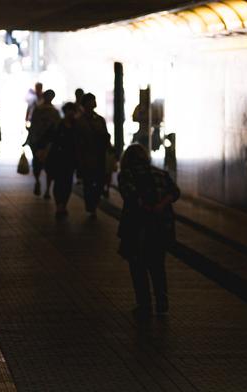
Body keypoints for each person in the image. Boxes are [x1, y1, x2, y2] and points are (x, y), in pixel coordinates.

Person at [117, 144, 180, 318]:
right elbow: (175, 192)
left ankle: (144, 304)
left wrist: (146, 207)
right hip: (161, 227)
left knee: (138, 266)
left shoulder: (127, 175)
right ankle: (162, 301)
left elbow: (130, 196)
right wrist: (161, 205)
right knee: (157, 265)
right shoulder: (160, 173)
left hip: (137, 228)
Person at [76, 93, 111, 216]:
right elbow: (77, 142)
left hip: (100, 155)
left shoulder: (100, 119)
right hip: (87, 156)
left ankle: (93, 204)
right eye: (91, 101)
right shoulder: (80, 121)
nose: (93, 103)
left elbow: (106, 136)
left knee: (100, 182)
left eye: (94, 100)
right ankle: (91, 206)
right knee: (89, 182)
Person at [45, 102, 79, 218]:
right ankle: (59, 205)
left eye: (73, 111)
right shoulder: (58, 125)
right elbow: (50, 139)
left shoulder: (76, 126)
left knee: (67, 183)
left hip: (71, 159)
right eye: (69, 110)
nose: (71, 113)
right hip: (58, 158)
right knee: (59, 181)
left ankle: (63, 204)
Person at [26, 89, 61, 199]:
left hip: (40, 141)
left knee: (40, 164)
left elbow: (33, 125)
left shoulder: (41, 109)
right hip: (47, 142)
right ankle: (46, 189)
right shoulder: (53, 111)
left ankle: (41, 184)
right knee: (48, 166)